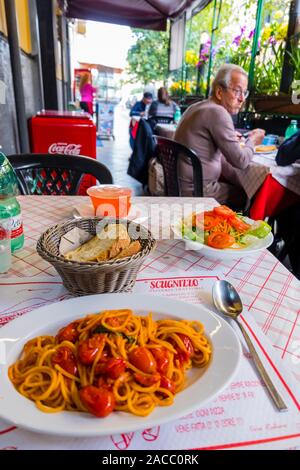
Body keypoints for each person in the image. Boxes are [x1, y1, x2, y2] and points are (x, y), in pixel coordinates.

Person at [174, 64, 265, 207]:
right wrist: (253, 141)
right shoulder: (218, 112)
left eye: (244, 92)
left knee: (239, 185)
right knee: (248, 195)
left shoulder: (196, 107)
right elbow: (241, 161)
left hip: (179, 185)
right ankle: (233, 229)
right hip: (197, 191)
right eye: (237, 91)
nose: (242, 99)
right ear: (219, 92)